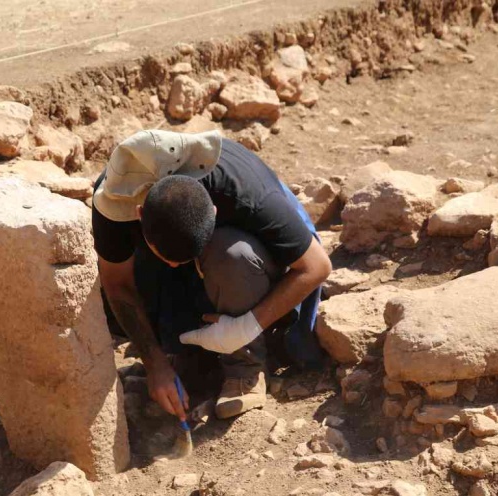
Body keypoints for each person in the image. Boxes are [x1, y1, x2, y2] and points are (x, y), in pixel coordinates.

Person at [92, 129, 331, 421]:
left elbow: (317, 266)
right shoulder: (114, 200)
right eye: (167, 257)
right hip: (181, 266)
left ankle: (245, 368)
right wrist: (155, 364)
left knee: (231, 254)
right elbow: (117, 284)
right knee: (110, 296)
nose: (174, 265)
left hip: (251, 264)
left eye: (183, 259)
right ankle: (189, 352)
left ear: (215, 211)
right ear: (140, 215)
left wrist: (243, 328)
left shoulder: (244, 191)